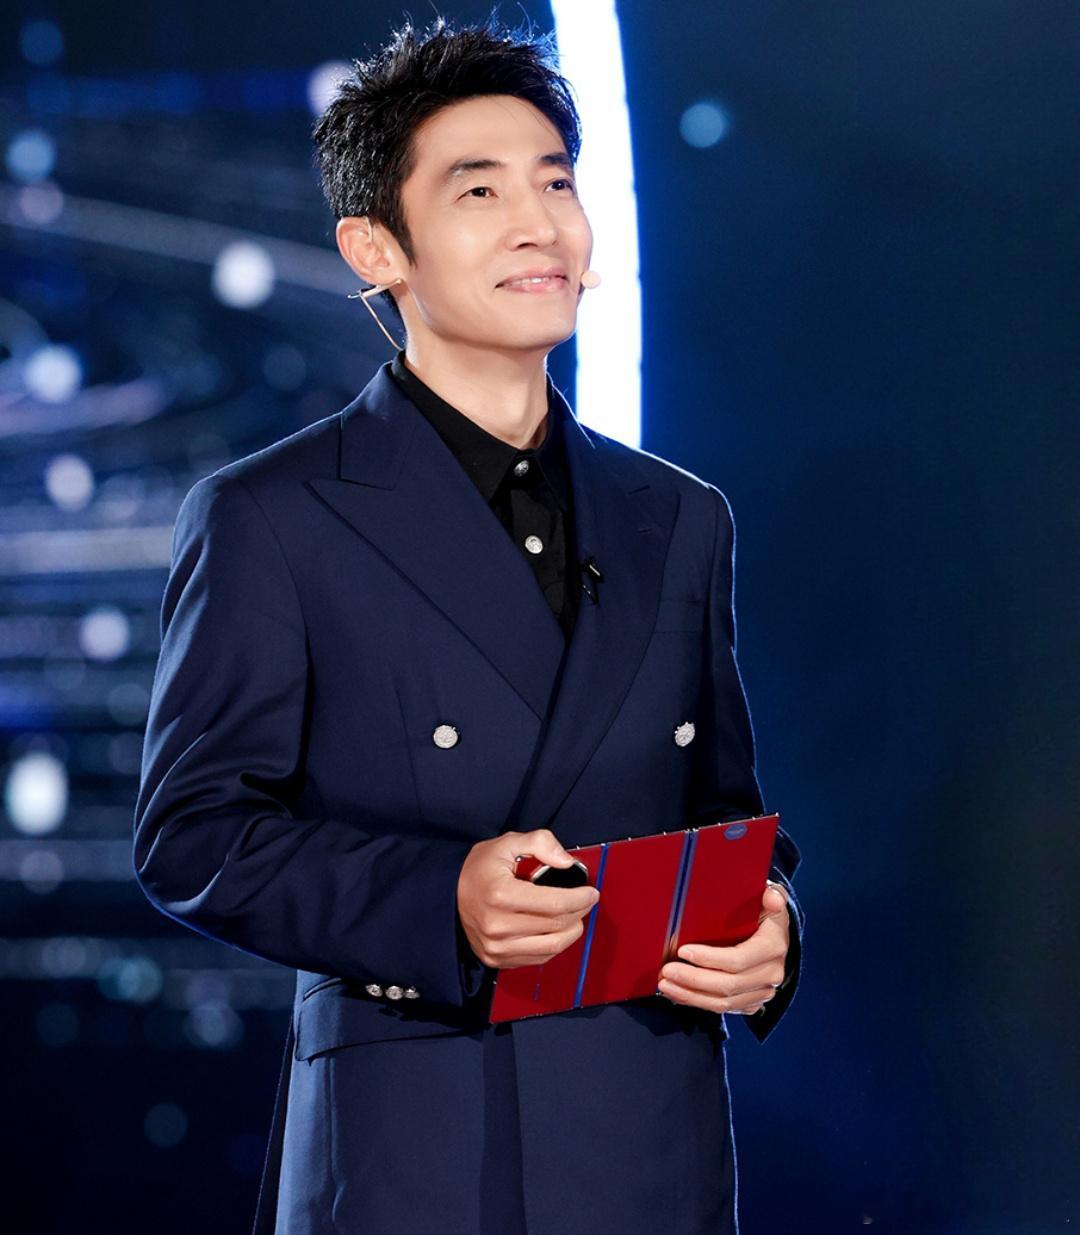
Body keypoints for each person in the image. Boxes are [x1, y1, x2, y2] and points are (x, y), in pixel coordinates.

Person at [133, 14, 804, 1235]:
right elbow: (193, 834)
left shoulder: (680, 517)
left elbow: (721, 807)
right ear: (375, 246)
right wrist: (441, 897)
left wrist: (771, 930)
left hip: (649, 1136)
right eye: (480, 190)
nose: (538, 223)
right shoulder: (270, 515)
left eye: (557, 182)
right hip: (417, 1136)